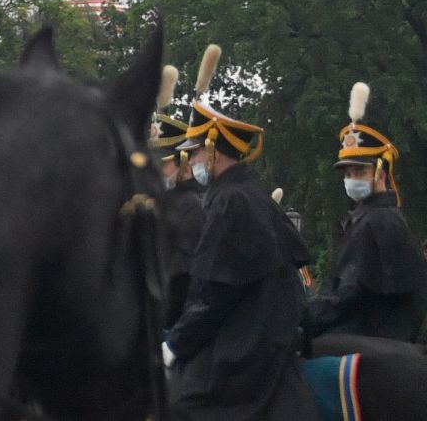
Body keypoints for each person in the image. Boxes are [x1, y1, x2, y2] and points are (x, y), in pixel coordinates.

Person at [167, 93, 316, 421]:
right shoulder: (247, 192)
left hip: (250, 340)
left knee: (182, 406)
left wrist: (175, 343)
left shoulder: (230, 200)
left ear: (211, 150)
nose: (190, 162)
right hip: (263, 328)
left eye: (193, 154)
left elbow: (215, 293)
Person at [303, 84, 425, 342]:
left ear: (380, 173)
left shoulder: (376, 221)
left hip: (372, 338)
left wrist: (305, 317)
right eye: (347, 173)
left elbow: (350, 292)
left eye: (360, 171)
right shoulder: (373, 216)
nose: (351, 179)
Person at [154, 108, 207, 327]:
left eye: (162, 164)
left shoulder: (190, 206)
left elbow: (179, 277)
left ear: (183, 162)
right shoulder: (166, 202)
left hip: (173, 323)